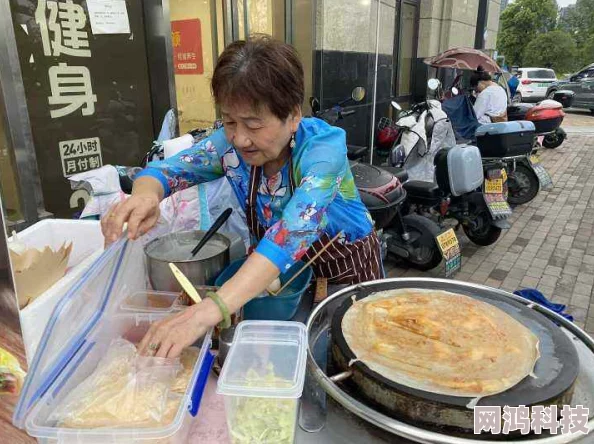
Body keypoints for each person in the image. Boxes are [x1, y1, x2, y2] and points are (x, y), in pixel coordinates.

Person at [101, 35, 383, 359]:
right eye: (230, 121)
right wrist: (146, 196)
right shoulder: (228, 145)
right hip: (275, 279)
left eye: (252, 123)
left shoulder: (323, 152)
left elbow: (291, 233)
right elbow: (165, 171)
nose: (239, 138)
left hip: (342, 271)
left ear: (292, 115)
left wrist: (210, 309)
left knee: (351, 355)